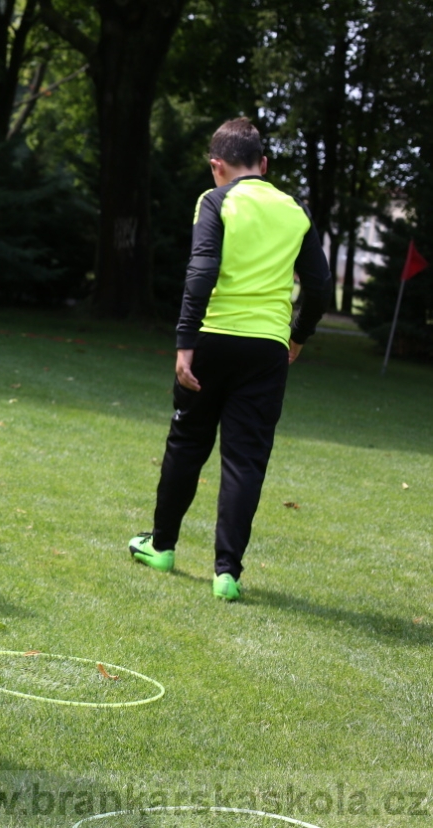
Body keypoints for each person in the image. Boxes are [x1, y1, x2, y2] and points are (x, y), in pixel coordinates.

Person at [128, 117, 332, 601]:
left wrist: (184, 342)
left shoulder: (214, 200)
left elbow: (201, 271)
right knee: (246, 459)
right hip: (266, 349)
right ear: (263, 165)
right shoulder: (295, 210)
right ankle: (227, 574)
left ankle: (161, 547)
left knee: (187, 443)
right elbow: (320, 286)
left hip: (212, 341)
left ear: (216, 165)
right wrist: (297, 336)